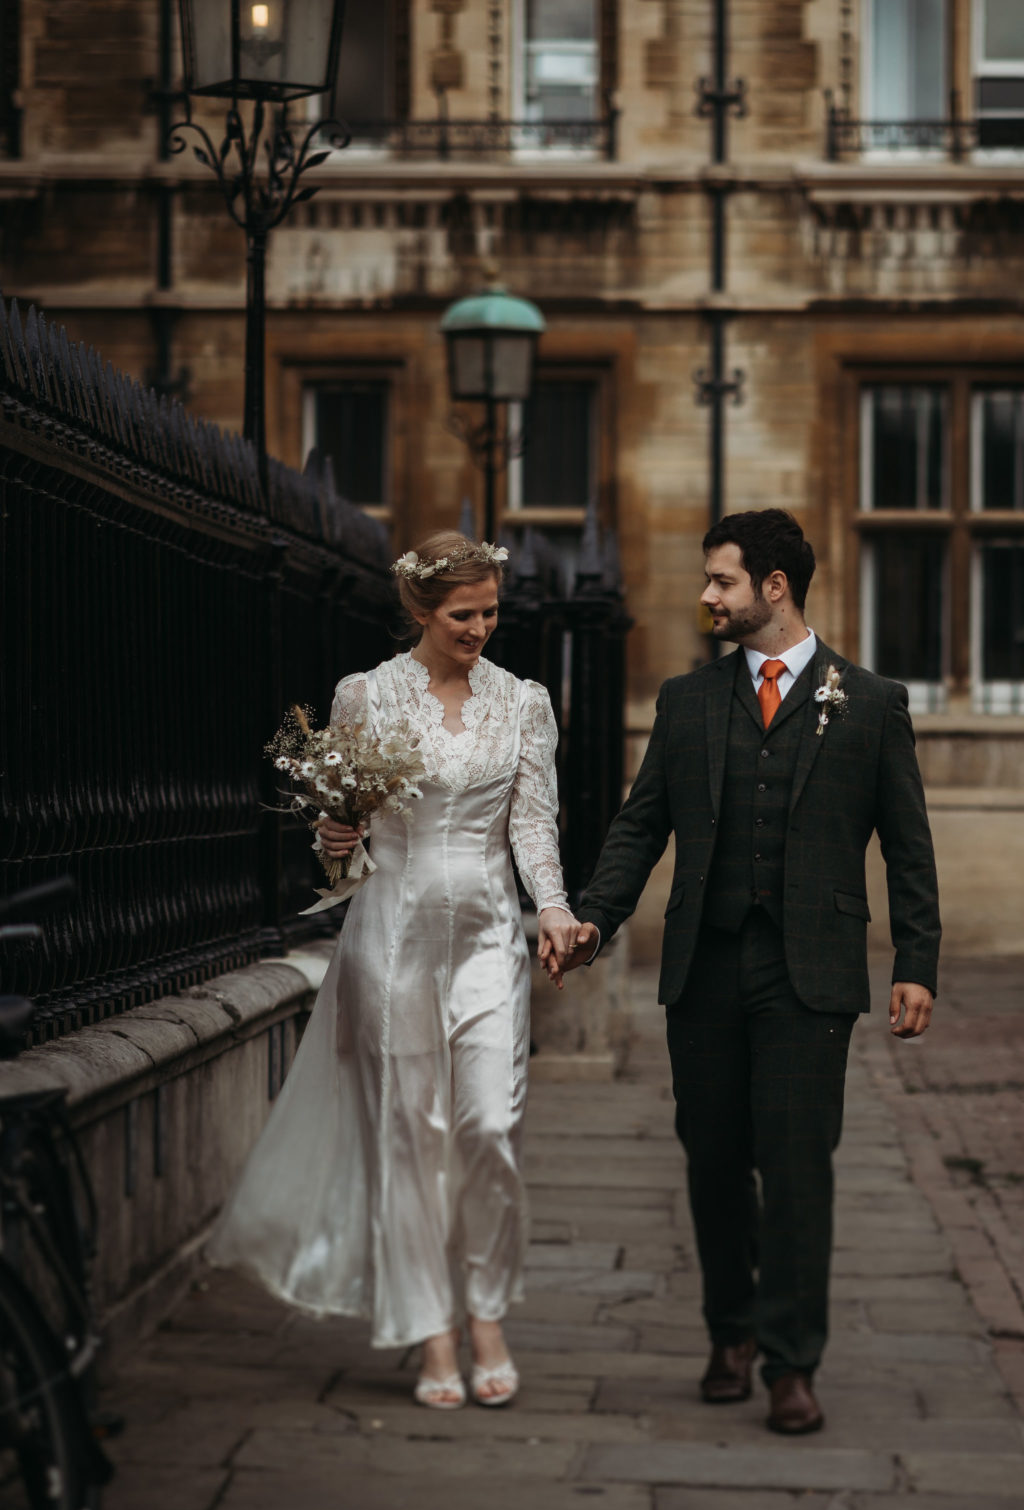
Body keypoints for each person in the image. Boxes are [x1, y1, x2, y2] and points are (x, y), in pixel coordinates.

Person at [562, 508, 940, 1434]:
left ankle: (791, 1363)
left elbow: (908, 845)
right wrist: (593, 918)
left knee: (800, 1166)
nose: (705, 597)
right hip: (706, 966)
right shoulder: (688, 703)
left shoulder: (872, 702)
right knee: (716, 1161)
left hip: (810, 972)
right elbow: (641, 824)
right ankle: (729, 1331)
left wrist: (915, 962)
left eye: (721, 581)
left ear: (774, 588)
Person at [208, 532, 579, 1410]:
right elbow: (341, 843)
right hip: (394, 939)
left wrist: (554, 907)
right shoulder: (364, 696)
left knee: (489, 1127)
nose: (480, 628)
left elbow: (532, 825)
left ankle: (487, 1307)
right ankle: (433, 1330)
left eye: (490, 611)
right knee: (410, 1137)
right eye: (463, 614)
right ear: (419, 610)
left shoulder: (524, 702)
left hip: (489, 938)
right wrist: (334, 841)